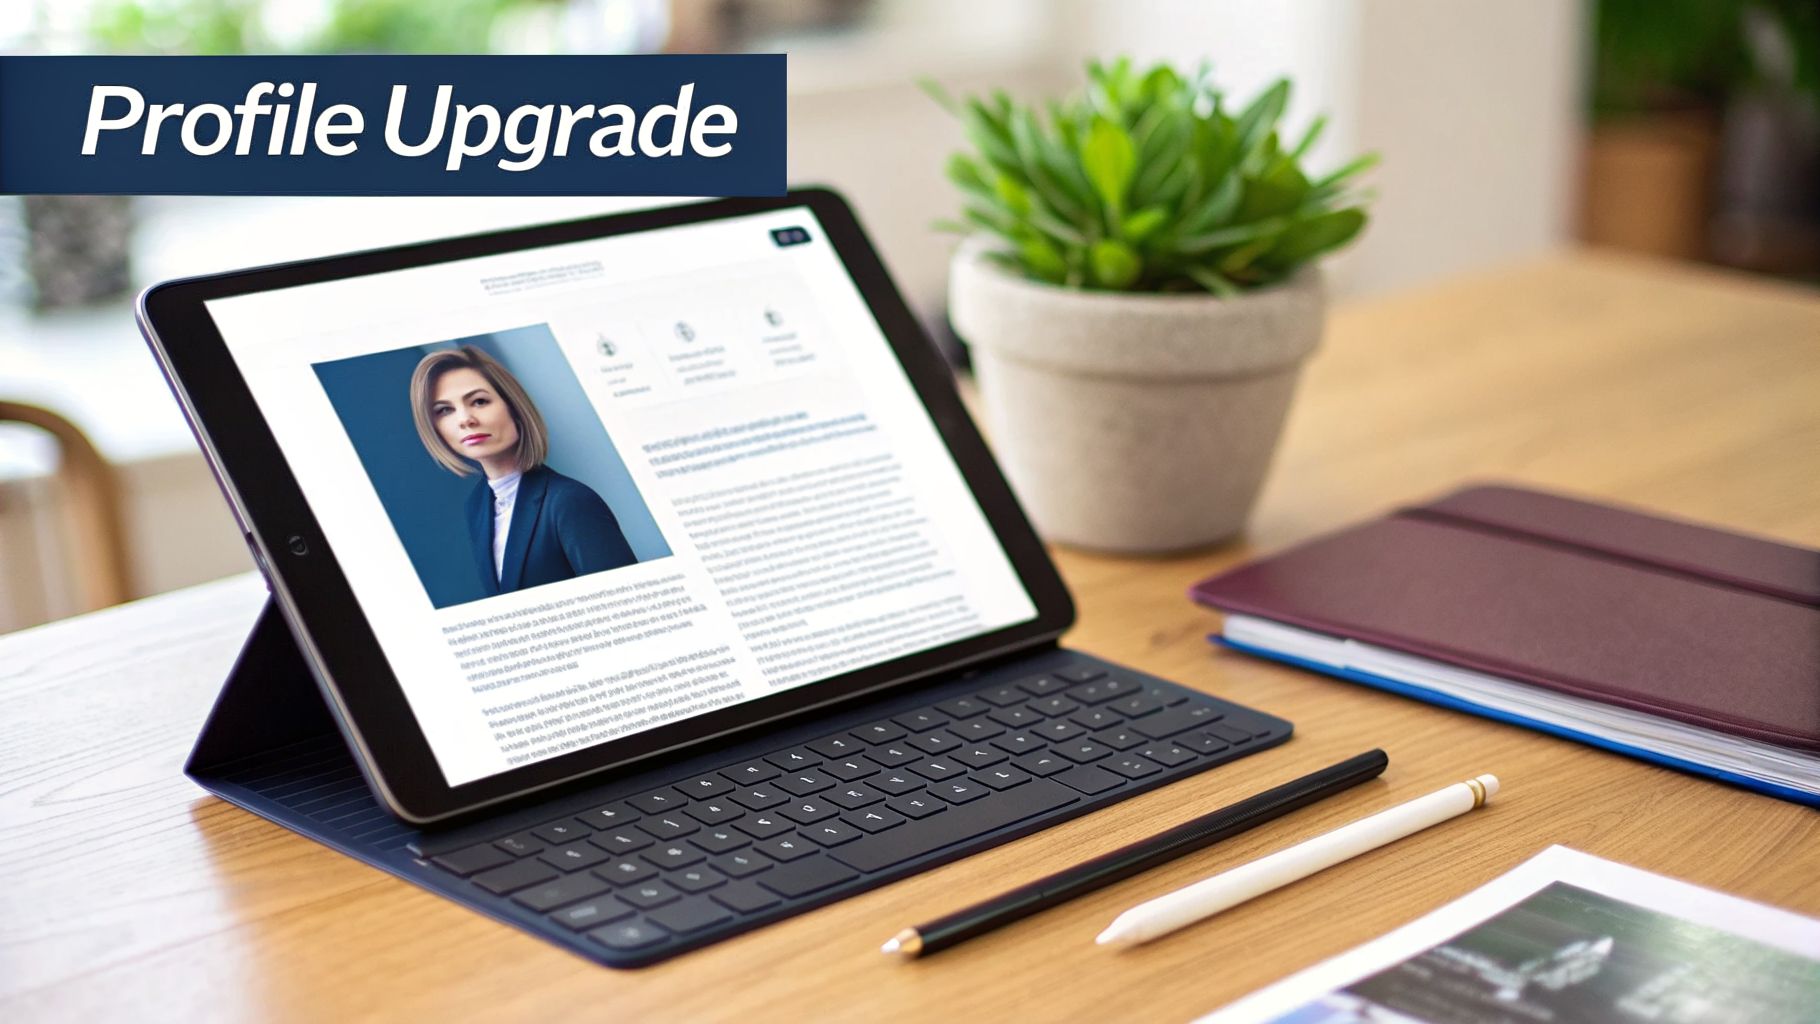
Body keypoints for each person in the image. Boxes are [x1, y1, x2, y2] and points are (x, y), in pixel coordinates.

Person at [409, 345, 635, 598]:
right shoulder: (476, 506)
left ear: (514, 407)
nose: (465, 419)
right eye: (444, 410)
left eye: (479, 401)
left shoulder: (570, 501)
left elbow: (624, 605)